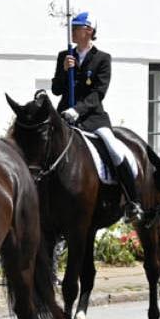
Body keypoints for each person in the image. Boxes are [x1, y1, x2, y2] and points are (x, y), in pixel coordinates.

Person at [50, 12, 141, 220]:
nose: (72, 31)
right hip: (64, 114)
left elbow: (98, 93)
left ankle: (132, 201)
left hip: (91, 116)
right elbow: (56, 89)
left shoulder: (102, 59)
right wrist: (65, 71)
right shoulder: (65, 55)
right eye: (72, 27)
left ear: (89, 31)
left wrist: (78, 110)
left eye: (76, 27)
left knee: (114, 149)